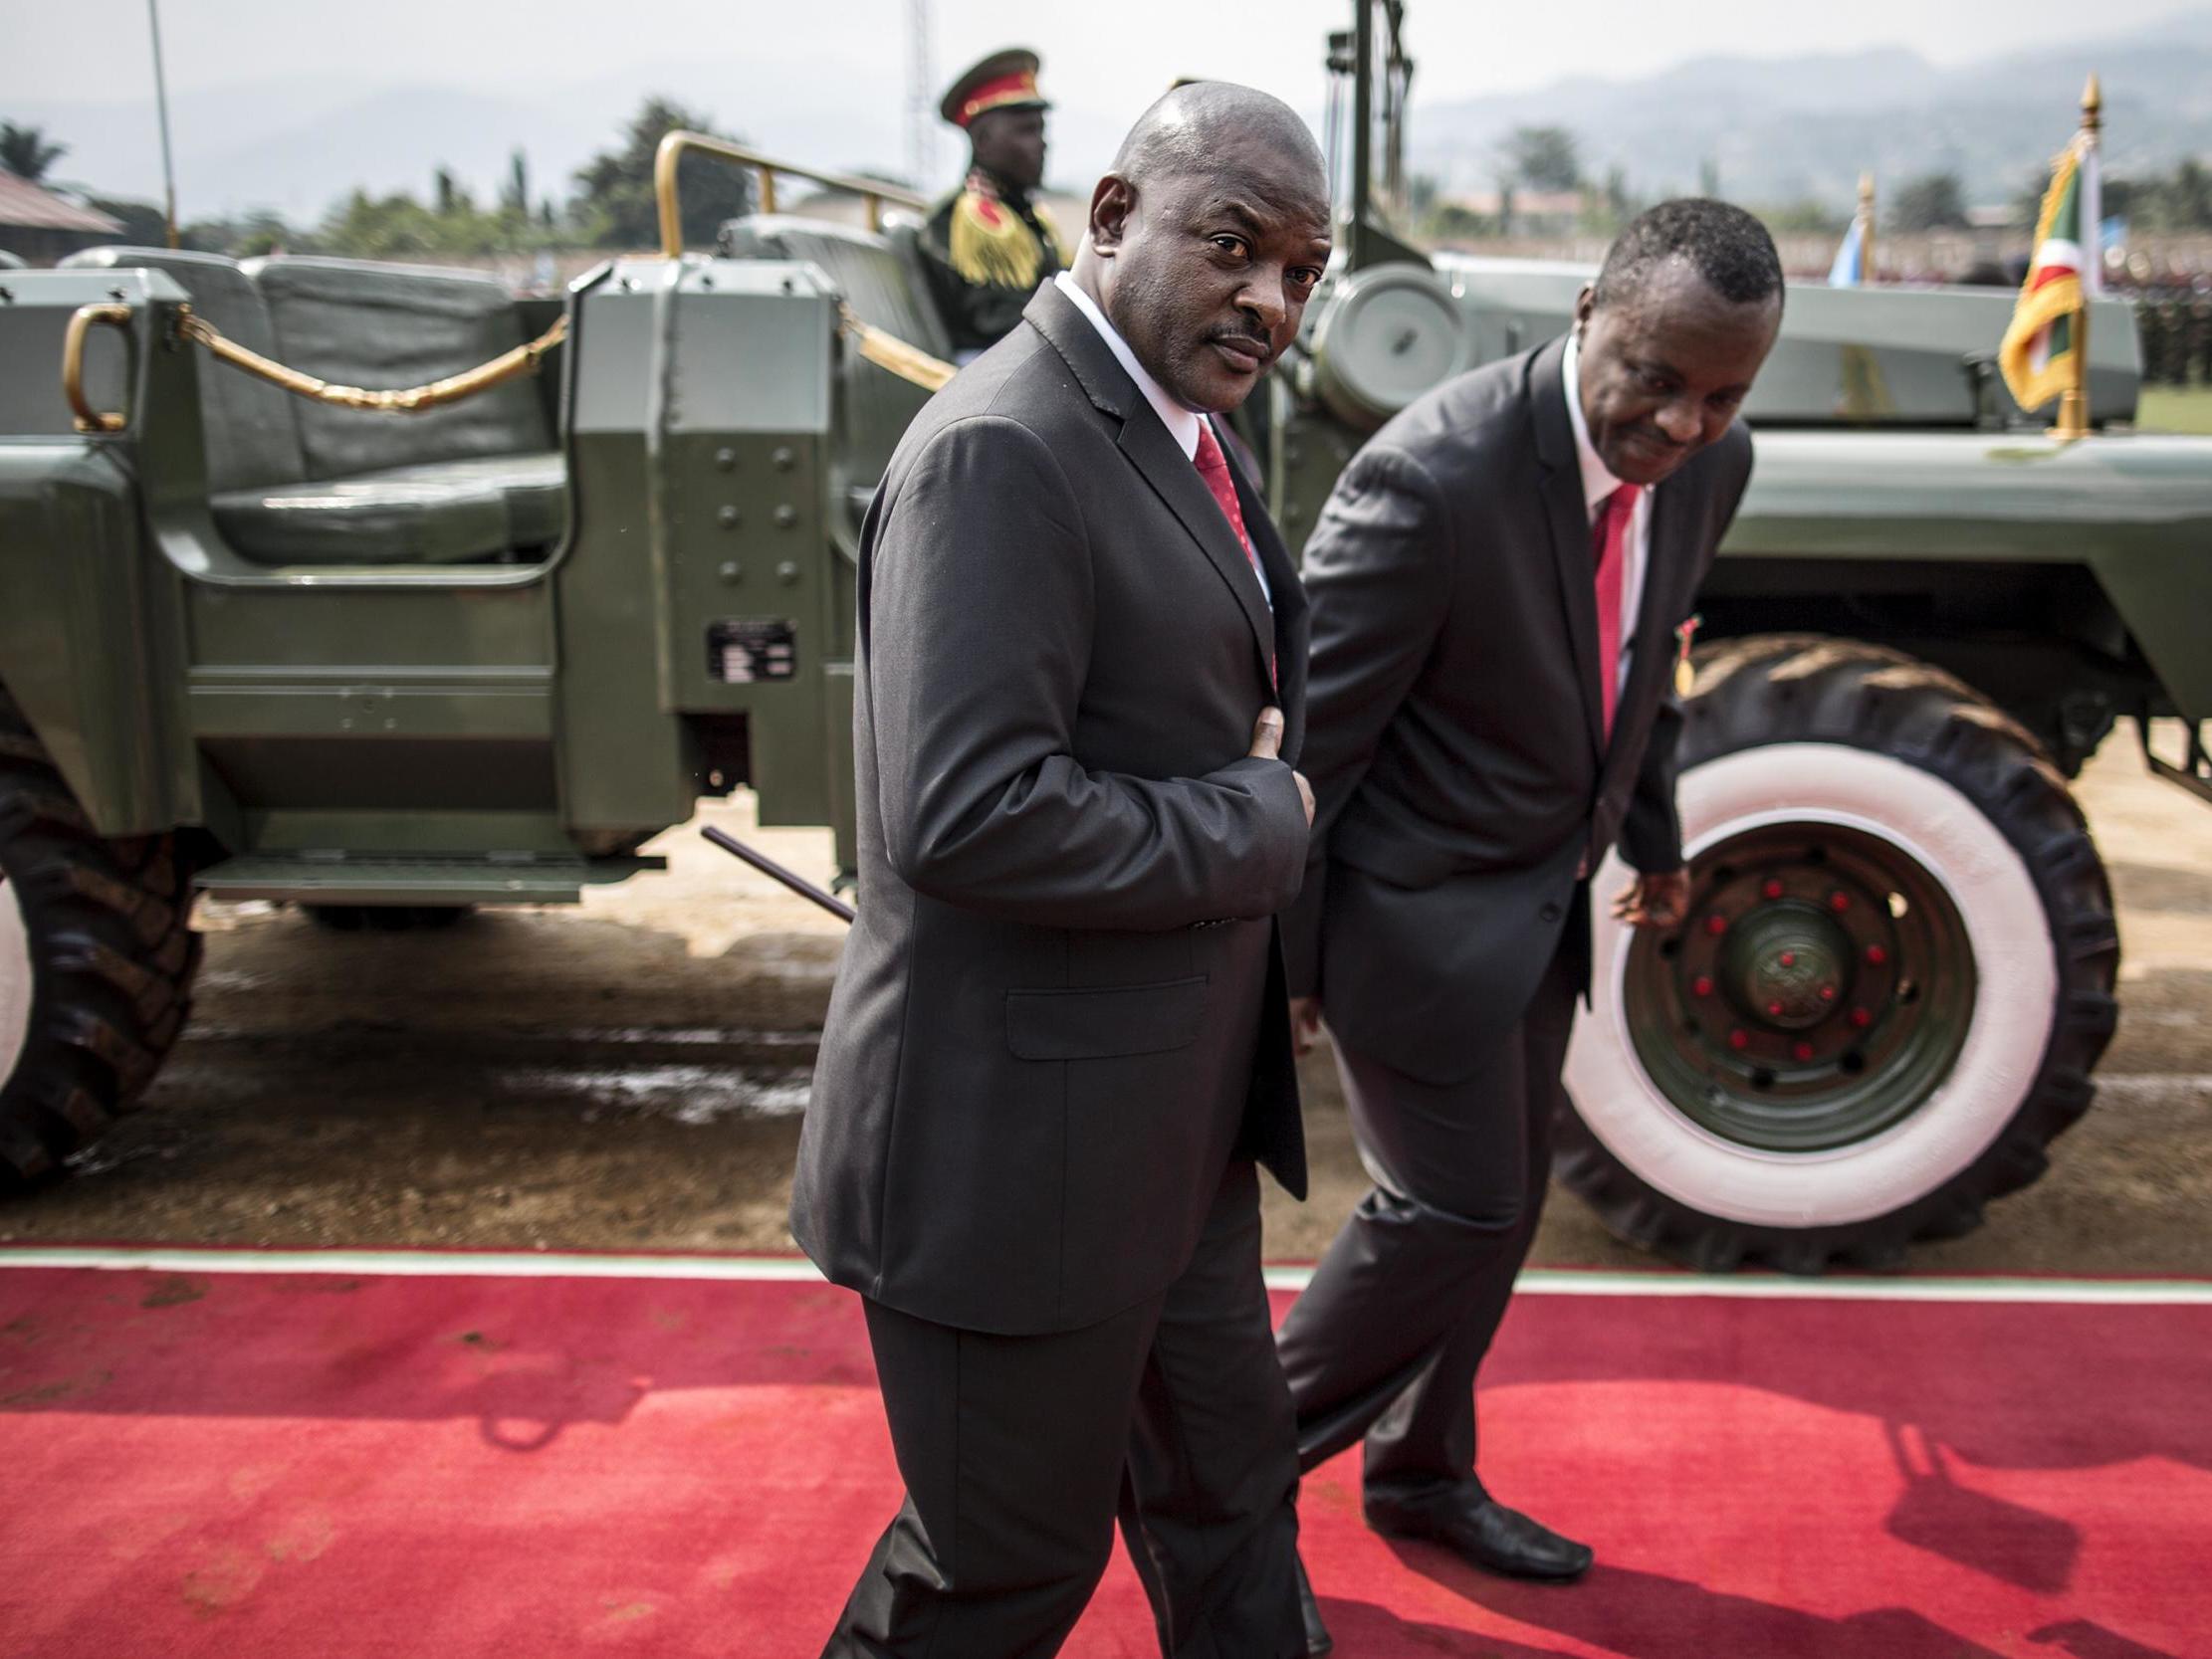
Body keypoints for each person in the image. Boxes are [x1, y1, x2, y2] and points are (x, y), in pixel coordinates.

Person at [793, 82, 1336, 1658]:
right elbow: (969, 813)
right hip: (1014, 1157)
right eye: (1231, 245)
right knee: (1000, 1572)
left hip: (1168, 1137)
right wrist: (1262, 819)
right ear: (1110, 219)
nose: (1269, 298)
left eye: (1300, 267)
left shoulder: (1184, 429)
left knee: (1232, 1499)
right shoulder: (999, 449)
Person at [1274, 200, 1786, 1594]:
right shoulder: (1429, 478)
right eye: (1657, 379)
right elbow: (1314, 746)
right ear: (1583, 314)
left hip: (1540, 909)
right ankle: (1220, 1476)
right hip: (1407, 915)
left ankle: (1422, 1470)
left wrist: (1657, 840)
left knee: (1494, 1215)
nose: (1685, 424)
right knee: (1448, 1210)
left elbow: (1645, 659)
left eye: (1724, 393)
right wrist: (1288, 960)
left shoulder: (1711, 464)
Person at [918, 48, 1067, 360]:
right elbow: (1000, 323)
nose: (1043, 144)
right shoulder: (969, 220)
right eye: (1027, 131)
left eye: (1042, 130)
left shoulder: (1025, 214)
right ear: (983, 141)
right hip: (990, 376)